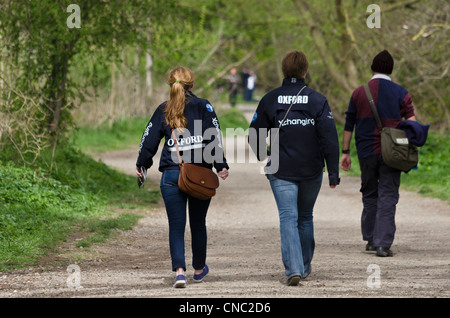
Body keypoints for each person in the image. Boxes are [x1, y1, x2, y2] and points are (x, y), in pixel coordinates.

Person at [249, 50, 340, 286]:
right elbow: (329, 138)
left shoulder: (270, 99)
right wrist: (333, 172)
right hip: (311, 169)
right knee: (305, 217)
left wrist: (265, 156)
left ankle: (294, 269)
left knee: (288, 217)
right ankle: (305, 266)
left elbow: (254, 133)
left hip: (281, 169)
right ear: (305, 71)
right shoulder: (318, 100)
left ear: (283, 71)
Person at [136, 66, 229, 288]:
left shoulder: (163, 109)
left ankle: (179, 272)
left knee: (176, 225)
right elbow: (213, 137)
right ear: (192, 85)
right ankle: (198, 269)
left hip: (171, 174)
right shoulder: (203, 106)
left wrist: (142, 163)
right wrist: (220, 165)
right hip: (200, 175)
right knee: (198, 223)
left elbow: (148, 140)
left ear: (171, 85)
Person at [340, 50, 416, 257]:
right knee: (388, 194)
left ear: (372, 68)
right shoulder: (401, 93)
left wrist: (345, 152)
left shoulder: (358, 93)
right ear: (391, 69)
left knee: (370, 192)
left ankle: (372, 239)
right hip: (393, 151)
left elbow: (349, 125)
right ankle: (383, 244)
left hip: (366, 151)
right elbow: (412, 123)